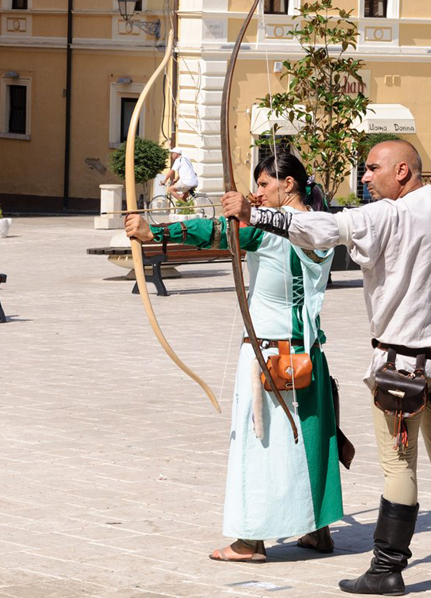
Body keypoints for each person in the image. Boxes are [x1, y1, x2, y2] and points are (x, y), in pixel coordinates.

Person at [223, 140, 431, 594]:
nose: (364, 177)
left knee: (399, 466)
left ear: (402, 171)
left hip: (403, 367)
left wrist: (255, 213)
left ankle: (386, 570)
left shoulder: (386, 215)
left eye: (372, 168)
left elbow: (325, 227)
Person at [126, 153, 344, 563]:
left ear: (289, 185)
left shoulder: (272, 230)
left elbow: (215, 233)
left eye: (264, 185)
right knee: (309, 442)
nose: (257, 192)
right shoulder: (319, 224)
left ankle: (249, 541)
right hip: (307, 353)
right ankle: (318, 530)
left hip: (268, 355)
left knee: (259, 444)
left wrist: (153, 231)